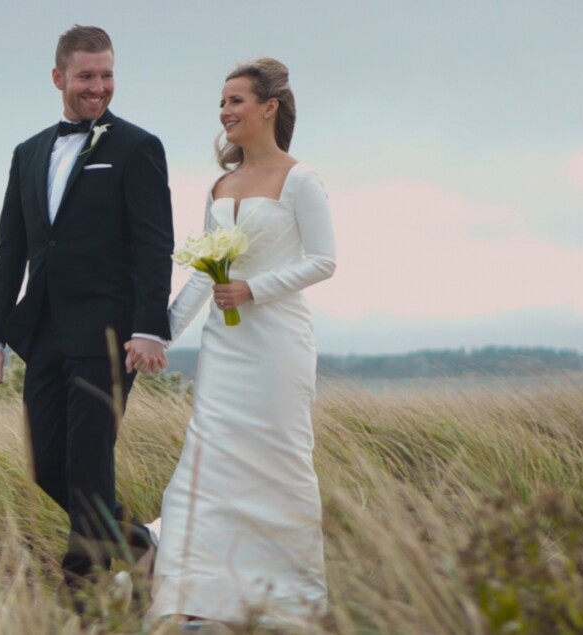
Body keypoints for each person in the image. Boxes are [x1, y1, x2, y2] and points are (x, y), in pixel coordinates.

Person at [0, 25, 174, 590]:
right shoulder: (29, 152)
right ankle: (142, 545)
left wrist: (148, 328)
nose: (98, 87)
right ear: (59, 77)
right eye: (87, 75)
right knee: (48, 467)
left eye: (107, 75)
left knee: (89, 465)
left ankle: (82, 589)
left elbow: (153, 243)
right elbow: (11, 248)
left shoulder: (138, 147)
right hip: (43, 332)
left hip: (110, 334)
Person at [147, 57, 337, 628]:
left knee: (276, 467)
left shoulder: (301, 179)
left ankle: (285, 607)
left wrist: (254, 289)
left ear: (269, 108)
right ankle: (197, 602)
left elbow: (324, 261)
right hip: (223, 352)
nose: (225, 112)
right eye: (222, 104)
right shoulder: (220, 184)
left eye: (236, 101)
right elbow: (206, 273)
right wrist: (158, 335)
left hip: (278, 345)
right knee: (203, 468)